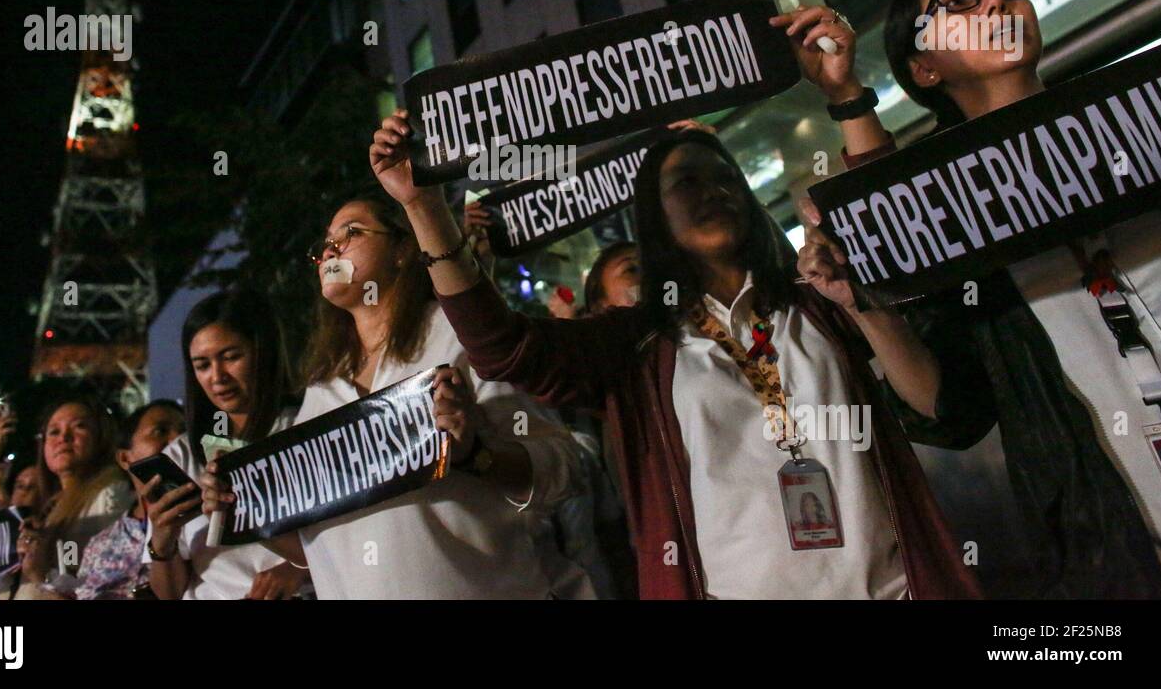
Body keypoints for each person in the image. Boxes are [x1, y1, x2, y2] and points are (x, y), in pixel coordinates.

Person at [369, 112, 980, 599]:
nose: (711, 193)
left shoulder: (818, 300)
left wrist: (861, 302)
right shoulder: (636, 343)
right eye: (685, 183)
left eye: (725, 180)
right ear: (654, 215)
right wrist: (423, 210)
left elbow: (938, 402)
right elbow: (502, 347)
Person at [789, 0, 1161, 596]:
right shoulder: (946, 212)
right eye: (960, 2)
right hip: (1121, 556)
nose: (994, 5)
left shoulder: (1138, 120)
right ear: (925, 68)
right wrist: (862, 304)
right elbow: (952, 409)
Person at [201, 190, 585, 598]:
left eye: (352, 232)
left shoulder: (459, 337)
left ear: (403, 249)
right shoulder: (321, 391)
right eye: (326, 242)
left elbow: (564, 466)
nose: (332, 249)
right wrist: (244, 512)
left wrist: (478, 455)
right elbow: (319, 553)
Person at [145, 288, 311, 600]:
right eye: (202, 365)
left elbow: (349, 538)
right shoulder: (181, 456)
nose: (217, 377)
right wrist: (162, 540)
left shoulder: (306, 427)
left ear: (263, 352)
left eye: (231, 357)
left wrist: (297, 569)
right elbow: (168, 594)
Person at [9, 396, 132, 598]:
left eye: (79, 427)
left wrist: (41, 574)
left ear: (101, 438)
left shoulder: (110, 494)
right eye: (54, 431)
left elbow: (90, 582)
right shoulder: (52, 505)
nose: (64, 437)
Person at [74, 399, 186, 600]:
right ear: (125, 459)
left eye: (184, 431)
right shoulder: (102, 544)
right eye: (160, 431)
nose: (178, 440)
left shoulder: (210, 515)